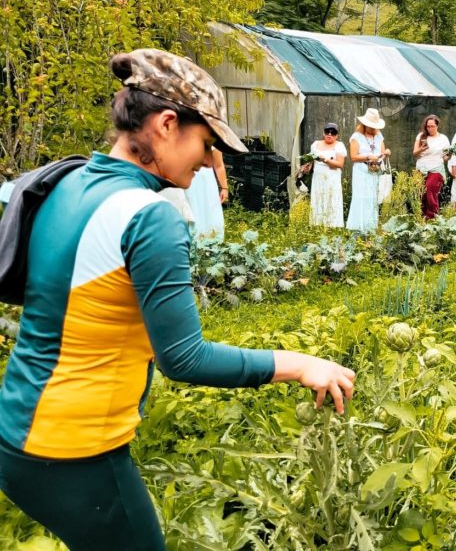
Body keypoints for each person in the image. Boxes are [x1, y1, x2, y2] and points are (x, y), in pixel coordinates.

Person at [0, 48, 355, 551]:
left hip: (16, 433)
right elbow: (185, 358)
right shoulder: (149, 216)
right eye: (207, 142)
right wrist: (300, 364)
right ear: (168, 124)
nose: (209, 161)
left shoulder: (64, 182)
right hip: (74, 450)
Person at [346, 108, 390, 232]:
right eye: (370, 125)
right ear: (364, 124)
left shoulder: (379, 136)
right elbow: (353, 157)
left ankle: (370, 227)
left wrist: (386, 153)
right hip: (361, 170)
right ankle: (358, 228)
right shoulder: (356, 136)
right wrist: (367, 156)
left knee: (372, 198)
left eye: (374, 126)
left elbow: (382, 152)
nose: (372, 128)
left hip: (375, 171)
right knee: (361, 197)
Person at [309, 122, 346, 227]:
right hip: (318, 178)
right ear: (323, 133)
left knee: (332, 199)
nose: (329, 134)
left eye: (333, 132)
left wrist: (325, 160)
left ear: (337, 135)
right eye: (327, 132)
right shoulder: (315, 144)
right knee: (318, 198)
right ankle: (317, 225)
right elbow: (312, 161)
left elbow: (340, 164)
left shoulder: (339, 146)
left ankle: (333, 226)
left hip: (332, 178)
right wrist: (308, 166)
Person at [184, 148, 227, 239]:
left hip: (207, 183)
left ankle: (213, 243)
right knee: (191, 211)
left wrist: (224, 187)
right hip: (187, 182)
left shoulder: (213, 138)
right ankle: (192, 242)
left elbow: (218, 165)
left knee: (211, 211)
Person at [413, 114, 450, 220]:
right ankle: (421, 216)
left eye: (432, 126)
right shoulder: (421, 136)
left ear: (437, 126)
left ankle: (432, 216)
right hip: (421, 167)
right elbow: (415, 153)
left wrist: (450, 154)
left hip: (436, 168)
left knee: (430, 189)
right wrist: (422, 149)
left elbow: (445, 157)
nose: (430, 128)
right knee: (421, 192)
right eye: (428, 126)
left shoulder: (443, 138)